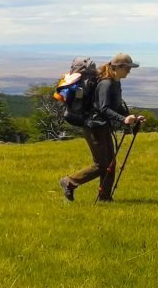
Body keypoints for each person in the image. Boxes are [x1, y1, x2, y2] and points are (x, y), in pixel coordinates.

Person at [60, 53, 144, 202]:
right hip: (94, 127)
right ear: (118, 67)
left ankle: (105, 198)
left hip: (102, 126)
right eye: (127, 68)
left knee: (110, 163)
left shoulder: (115, 82)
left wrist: (133, 118)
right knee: (101, 165)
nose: (129, 71)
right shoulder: (106, 83)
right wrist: (123, 119)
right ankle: (70, 181)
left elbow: (116, 106)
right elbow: (104, 108)